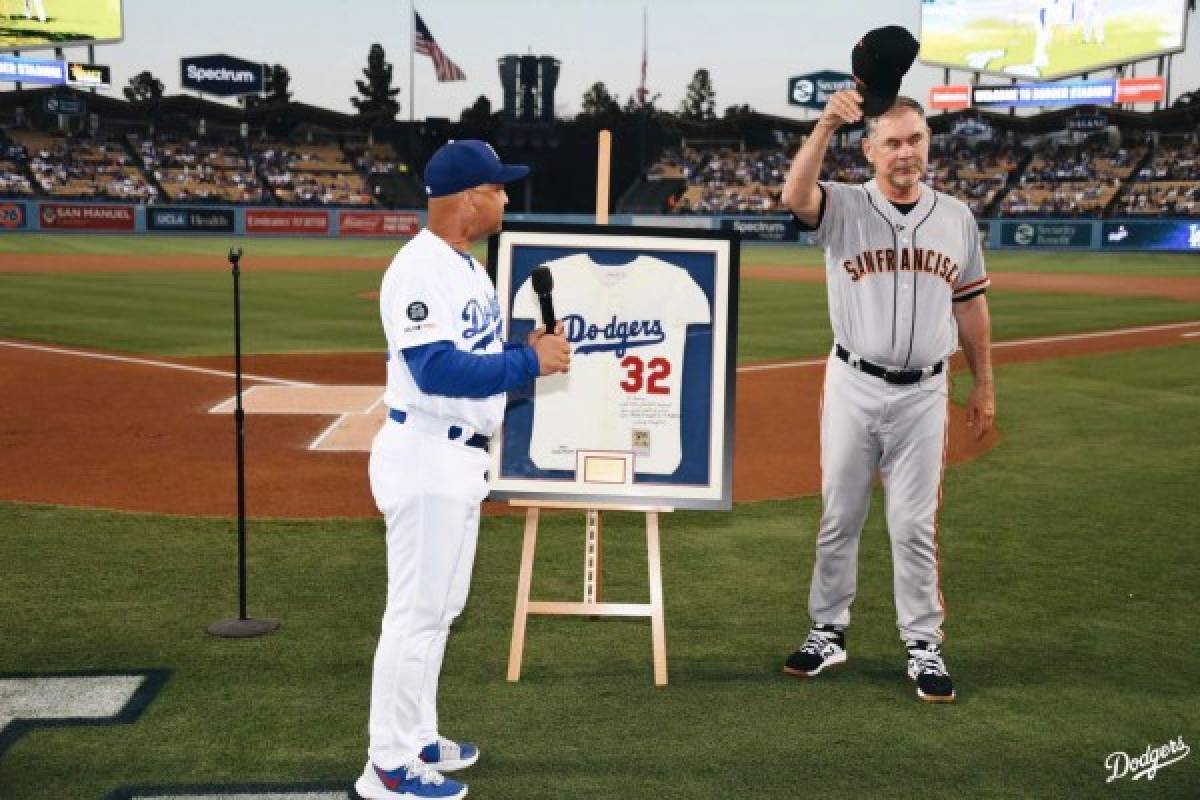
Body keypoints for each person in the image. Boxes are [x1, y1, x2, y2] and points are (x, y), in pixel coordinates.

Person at [355, 139, 571, 800]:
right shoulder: (419, 269)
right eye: (499, 188)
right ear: (470, 197)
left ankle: (419, 736)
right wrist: (529, 364)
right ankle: (386, 766)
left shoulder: (467, 268)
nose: (507, 197)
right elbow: (437, 368)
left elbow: (477, 359)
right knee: (414, 616)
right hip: (424, 454)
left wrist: (521, 357)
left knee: (440, 611)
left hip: (455, 457)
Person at [779, 90, 995, 704]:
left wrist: (984, 382)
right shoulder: (844, 204)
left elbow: (972, 306)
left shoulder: (956, 218)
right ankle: (828, 630)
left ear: (929, 144)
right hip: (853, 382)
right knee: (840, 514)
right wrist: (825, 124)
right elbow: (796, 198)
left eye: (916, 140)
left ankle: (923, 644)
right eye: (893, 142)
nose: (906, 153)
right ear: (869, 150)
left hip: (925, 391)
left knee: (913, 524)